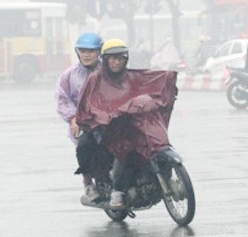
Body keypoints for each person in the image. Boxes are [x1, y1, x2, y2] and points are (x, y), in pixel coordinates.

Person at [76, 38, 178, 210]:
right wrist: (104, 116)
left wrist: (168, 80)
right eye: (112, 58)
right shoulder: (95, 79)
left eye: (120, 58)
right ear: (105, 60)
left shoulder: (131, 76)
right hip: (106, 128)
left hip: (129, 125)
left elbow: (151, 81)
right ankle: (115, 189)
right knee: (111, 147)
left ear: (126, 60)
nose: (116, 62)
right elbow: (87, 103)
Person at [55, 32, 104, 205]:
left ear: (99, 52)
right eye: (83, 51)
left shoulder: (109, 70)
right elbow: (62, 99)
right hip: (84, 123)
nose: (87, 54)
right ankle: (88, 184)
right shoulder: (69, 75)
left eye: (91, 51)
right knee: (84, 147)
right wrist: (73, 118)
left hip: (109, 120)